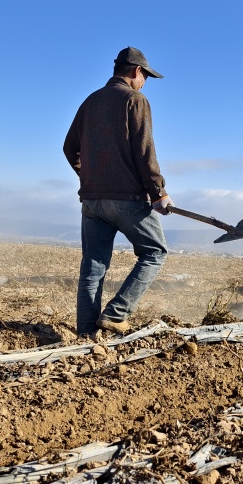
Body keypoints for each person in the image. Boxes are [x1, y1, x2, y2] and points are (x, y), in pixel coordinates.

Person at [63, 47, 174, 337]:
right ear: (136, 71)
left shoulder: (90, 102)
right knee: (155, 251)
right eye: (146, 76)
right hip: (127, 200)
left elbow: (68, 148)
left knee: (92, 267)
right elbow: (144, 151)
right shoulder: (135, 100)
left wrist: (88, 175)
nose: (145, 82)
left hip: (91, 200)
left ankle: (86, 335)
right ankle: (116, 313)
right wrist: (158, 192)